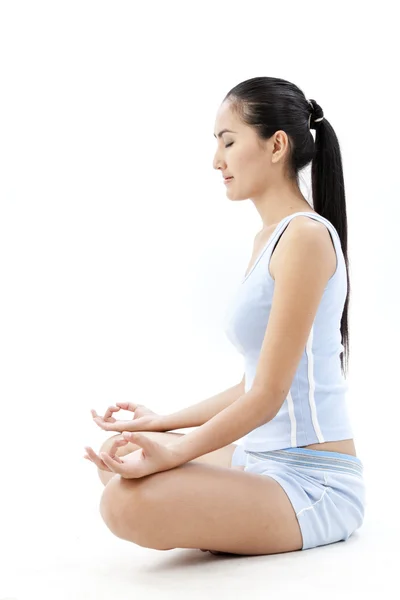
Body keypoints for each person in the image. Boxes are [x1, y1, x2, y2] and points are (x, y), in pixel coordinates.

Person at [86, 76, 366, 554]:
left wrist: (174, 451)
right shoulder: (270, 239)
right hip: (257, 458)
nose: (217, 160)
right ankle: (230, 516)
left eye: (228, 141)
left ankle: (238, 519)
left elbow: (267, 397)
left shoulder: (305, 238)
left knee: (124, 504)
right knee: (122, 457)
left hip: (314, 482)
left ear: (276, 145)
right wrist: (157, 425)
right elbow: (249, 384)